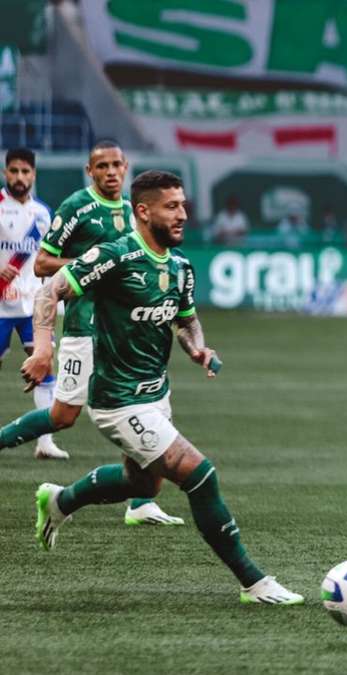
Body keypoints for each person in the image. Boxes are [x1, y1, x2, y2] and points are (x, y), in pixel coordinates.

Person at [23, 170, 304, 605]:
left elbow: (186, 319)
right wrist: (43, 349)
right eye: (172, 206)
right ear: (143, 211)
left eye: (184, 205)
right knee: (201, 476)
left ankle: (60, 500)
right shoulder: (114, 256)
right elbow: (48, 294)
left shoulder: (180, 267)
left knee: (143, 486)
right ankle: (255, 582)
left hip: (156, 395)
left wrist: (198, 349)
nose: (183, 215)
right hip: (117, 402)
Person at [0, 141, 183, 526]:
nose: (111, 172)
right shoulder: (77, 207)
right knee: (63, 415)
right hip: (85, 328)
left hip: (125, 331)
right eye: (102, 166)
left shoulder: (139, 211)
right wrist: (92, 265)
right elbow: (43, 263)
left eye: (117, 164)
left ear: (126, 166)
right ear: (90, 170)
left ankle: (140, 503)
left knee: (143, 405)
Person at [0, 148, 63, 459]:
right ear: (5, 172)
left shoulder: (43, 214)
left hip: (32, 306)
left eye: (25, 172)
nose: (19, 177)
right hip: (0, 305)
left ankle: (45, 443)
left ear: (34, 174)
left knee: (43, 365)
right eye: (14, 171)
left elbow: (47, 258)